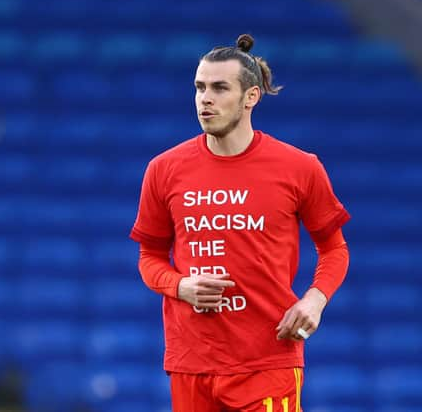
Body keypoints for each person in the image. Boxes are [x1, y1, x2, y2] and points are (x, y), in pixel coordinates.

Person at [129, 33, 350, 412]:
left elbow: (334, 249)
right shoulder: (163, 170)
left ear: (251, 97)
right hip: (192, 362)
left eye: (219, 88)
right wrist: (180, 286)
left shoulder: (299, 167)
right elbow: (149, 256)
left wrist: (315, 300)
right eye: (199, 88)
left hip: (267, 358)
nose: (205, 99)